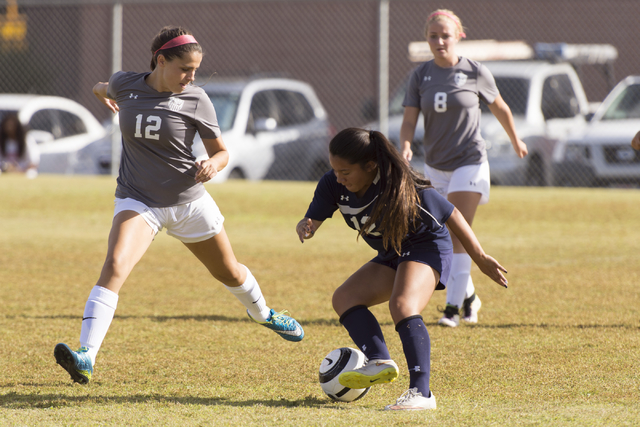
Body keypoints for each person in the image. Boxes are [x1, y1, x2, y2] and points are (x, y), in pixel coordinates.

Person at [54, 26, 304, 385]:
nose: (191, 77)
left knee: (229, 272)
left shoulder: (197, 99)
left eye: (195, 71)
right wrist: (102, 94)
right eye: (185, 68)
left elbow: (221, 152)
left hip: (188, 203)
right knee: (115, 264)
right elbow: (103, 87)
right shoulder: (126, 84)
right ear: (160, 61)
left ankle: (264, 314)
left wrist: (212, 166)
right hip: (138, 200)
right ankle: (86, 357)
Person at [296, 128, 508, 410]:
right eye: (335, 170)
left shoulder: (403, 184)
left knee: (403, 305)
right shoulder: (333, 185)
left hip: (427, 245)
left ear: (370, 166)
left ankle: (422, 394)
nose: (338, 177)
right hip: (392, 251)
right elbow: (314, 217)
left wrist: (479, 258)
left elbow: (451, 214)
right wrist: (307, 226)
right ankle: (379, 360)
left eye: (345, 171)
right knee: (344, 298)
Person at [399, 9, 528, 327]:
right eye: (433, 36)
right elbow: (409, 119)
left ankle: (452, 310)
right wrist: (405, 146)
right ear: (427, 39)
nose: (439, 41)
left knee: (458, 235)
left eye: (445, 35)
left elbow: (501, 107)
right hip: (435, 166)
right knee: (440, 232)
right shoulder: (421, 75)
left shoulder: (475, 71)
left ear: (459, 36)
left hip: (470, 163)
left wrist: (516, 140)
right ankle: (469, 297)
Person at [0, 113, 39, 178]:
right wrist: (7, 167)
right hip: (5, 171)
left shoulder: (26, 139)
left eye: (12, 125)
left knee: (31, 173)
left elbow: (34, 162)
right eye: (7, 126)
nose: (9, 128)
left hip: (23, 171)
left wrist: (19, 170)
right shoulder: (2, 141)